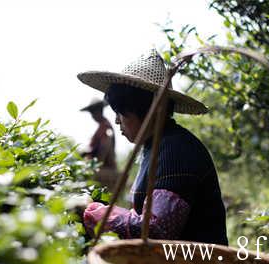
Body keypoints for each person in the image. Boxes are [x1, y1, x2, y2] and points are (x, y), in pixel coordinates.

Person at [77, 49, 228, 245]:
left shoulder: (176, 150)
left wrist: (93, 211)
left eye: (122, 112)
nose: (117, 120)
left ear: (152, 110)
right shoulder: (155, 146)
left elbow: (155, 230)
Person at [80, 98, 118, 189]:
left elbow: (106, 145)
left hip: (105, 170)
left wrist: (97, 165)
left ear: (99, 111)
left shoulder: (106, 127)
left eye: (93, 112)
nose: (92, 115)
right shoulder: (101, 127)